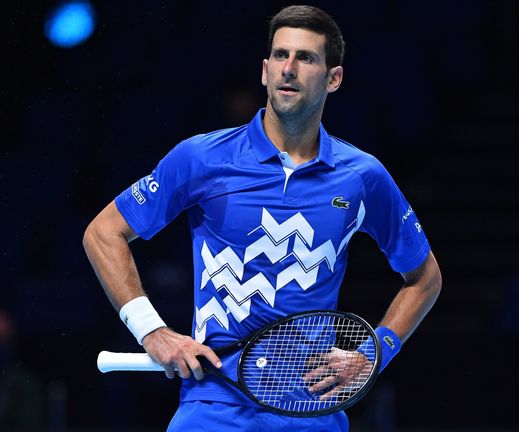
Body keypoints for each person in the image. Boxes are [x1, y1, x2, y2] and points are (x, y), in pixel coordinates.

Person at [83, 4, 442, 431]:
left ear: (334, 79)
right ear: (264, 71)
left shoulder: (362, 177)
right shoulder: (202, 158)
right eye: (280, 55)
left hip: (312, 409)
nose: (289, 68)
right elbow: (104, 233)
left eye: (305, 58)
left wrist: (372, 354)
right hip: (212, 406)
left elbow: (425, 278)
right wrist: (152, 331)